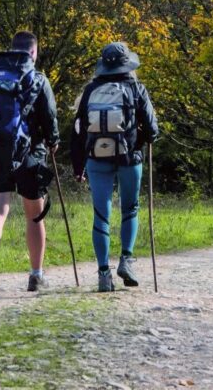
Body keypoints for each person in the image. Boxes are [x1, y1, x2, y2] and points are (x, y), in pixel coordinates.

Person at [0, 30, 59, 296]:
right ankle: (36, 275)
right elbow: (50, 118)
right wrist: (53, 141)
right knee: (34, 215)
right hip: (29, 154)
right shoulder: (38, 78)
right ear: (33, 52)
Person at [71, 41, 158, 292]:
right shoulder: (136, 88)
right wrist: (143, 139)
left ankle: (103, 274)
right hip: (129, 158)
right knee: (130, 208)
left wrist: (79, 167)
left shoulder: (90, 90)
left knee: (101, 215)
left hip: (96, 159)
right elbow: (153, 130)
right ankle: (126, 261)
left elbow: (77, 132)